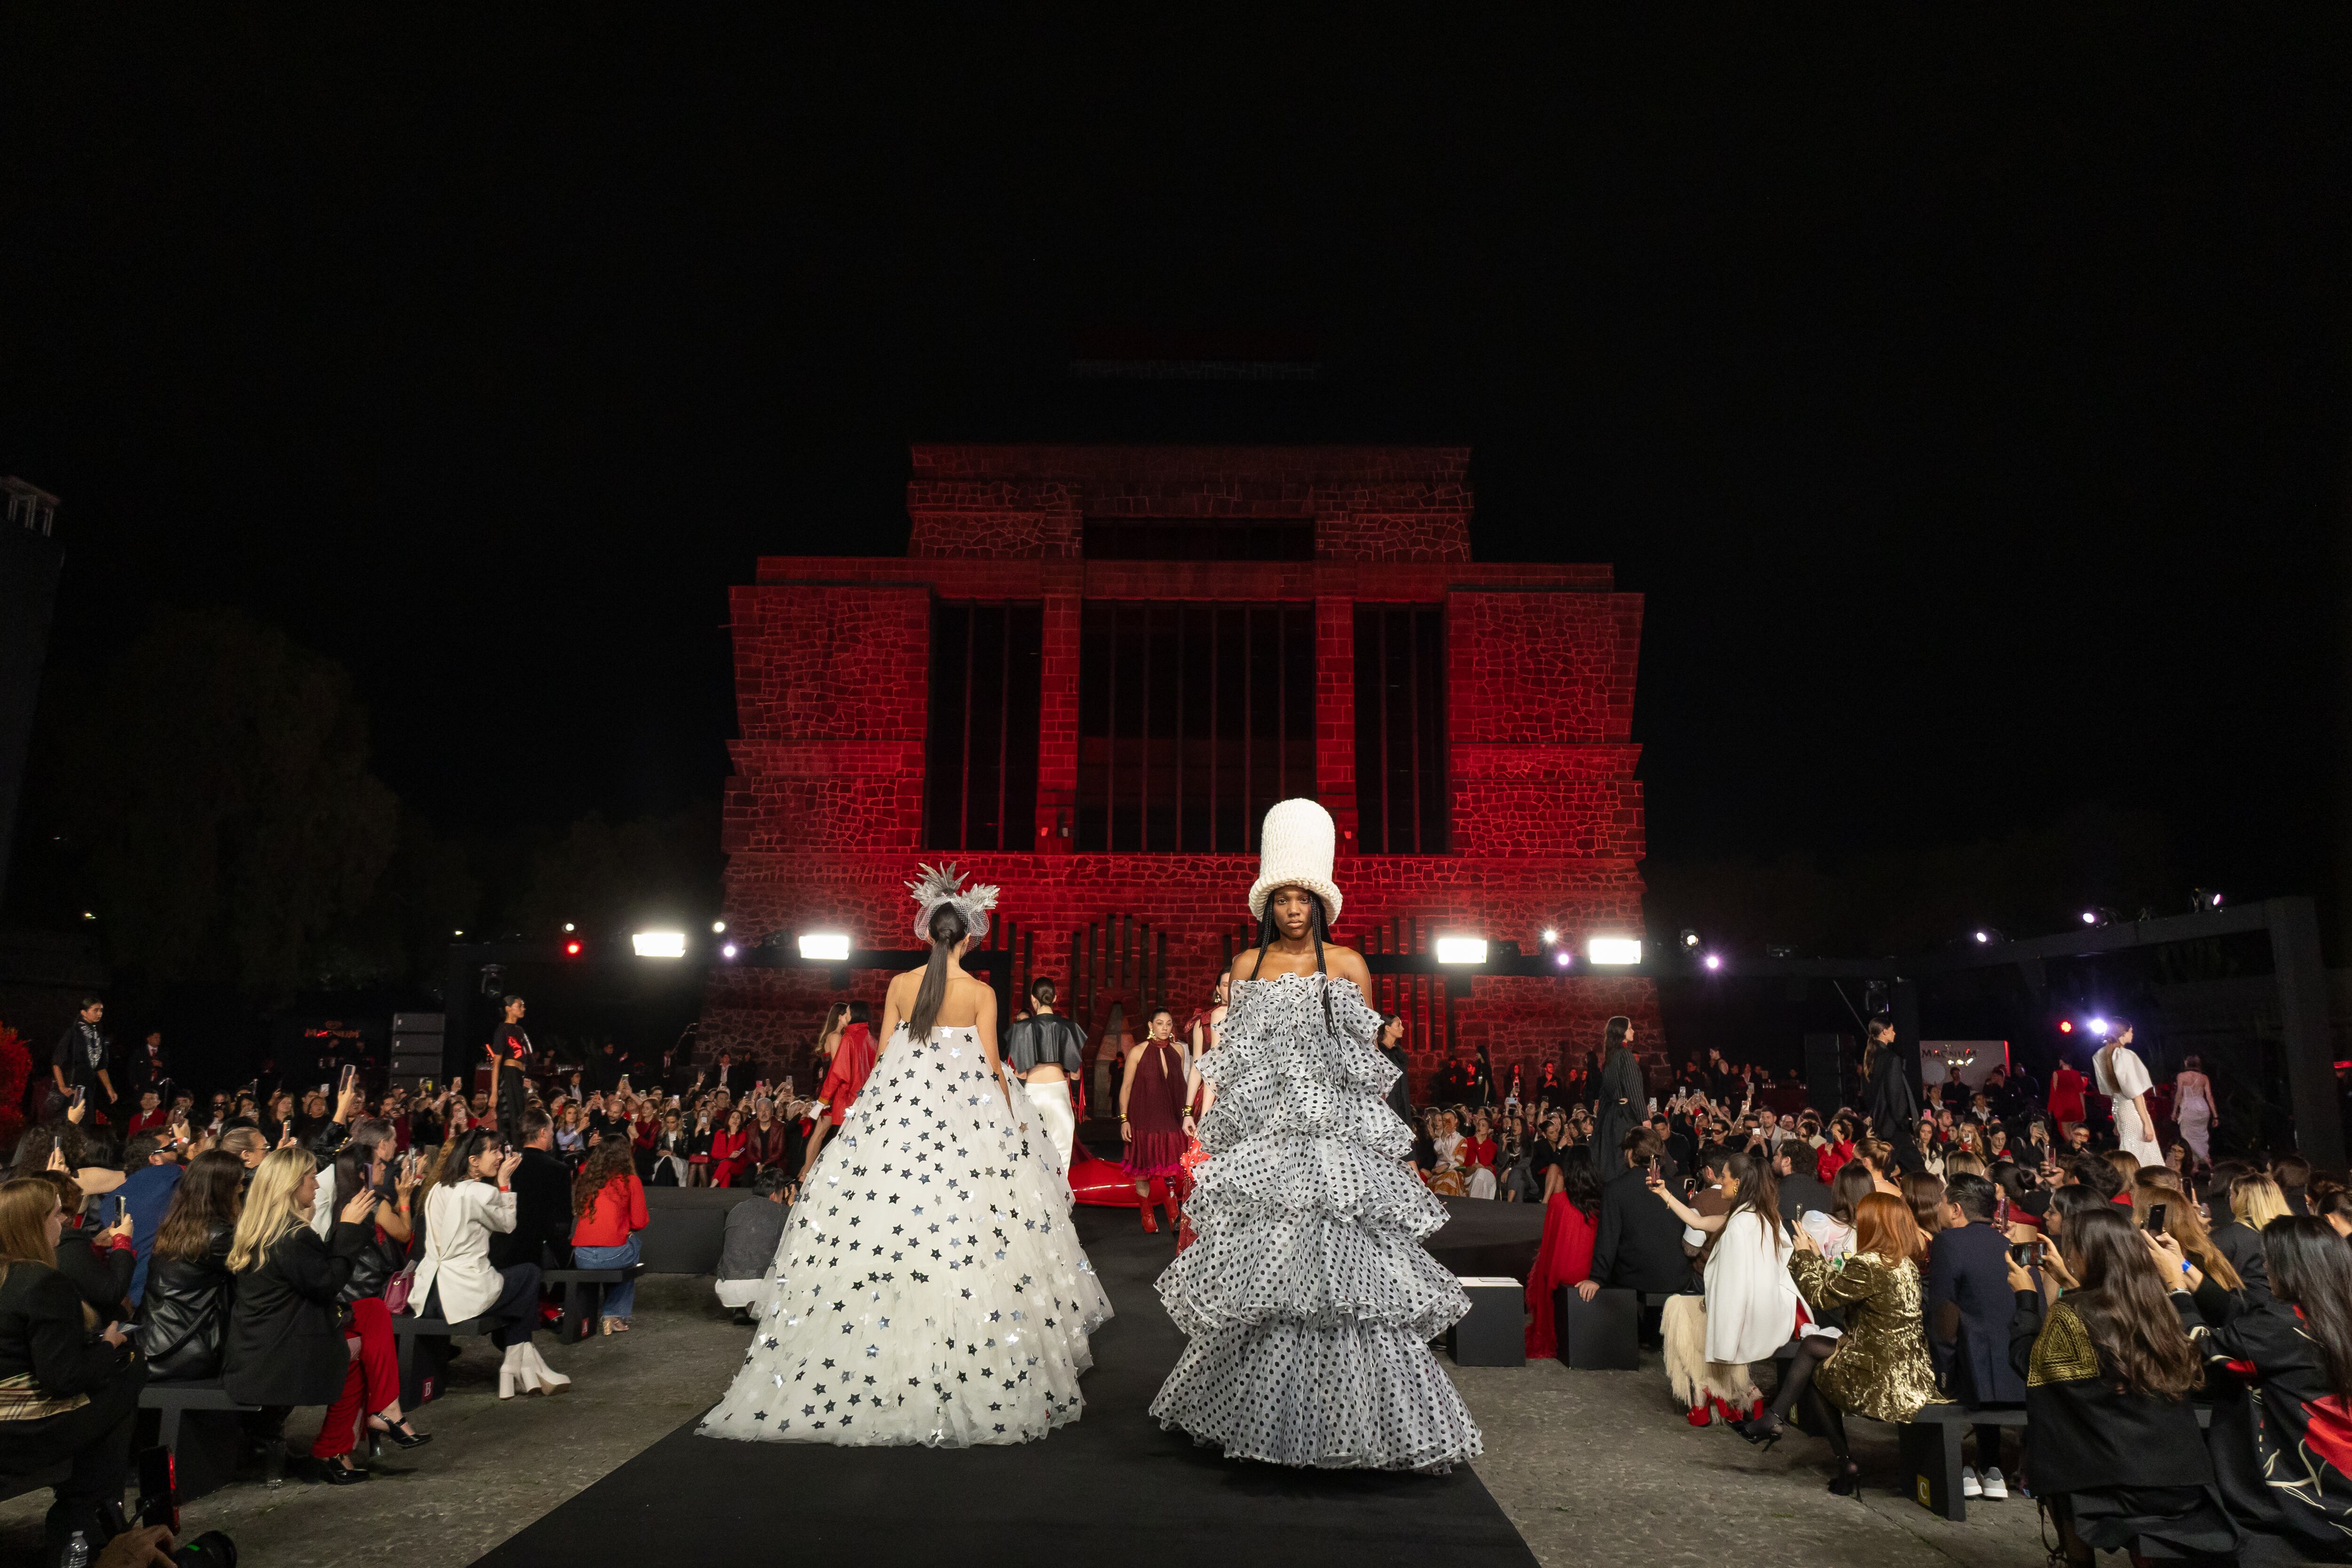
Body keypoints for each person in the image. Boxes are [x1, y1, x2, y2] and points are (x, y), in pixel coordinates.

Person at [701, 862, 1109, 1447]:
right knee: (970, 1232)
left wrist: (865, 1128)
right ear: (967, 939)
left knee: (884, 1228)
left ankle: (860, 1363)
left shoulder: (897, 987)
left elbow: (887, 1061)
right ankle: (967, 1361)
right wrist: (1015, 1129)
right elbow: (993, 1068)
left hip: (901, 1123)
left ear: (927, 935)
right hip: (965, 1126)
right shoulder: (980, 993)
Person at [1150, 801, 1479, 1469]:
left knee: (1343, 1276)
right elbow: (1238, 1063)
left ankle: (1356, 1425)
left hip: (1332, 1138)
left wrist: (1369, 1147)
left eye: (1303, 898)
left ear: (1321, 902)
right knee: (1271, 1269)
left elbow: (1367, 1067)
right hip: (1272, 1137)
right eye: (1283, 898)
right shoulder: (1246, 968)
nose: (1293, 909)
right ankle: (1262, 1417)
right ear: (1268, 902)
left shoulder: (1350, 965)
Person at [2007, 1205, 2239, 1563]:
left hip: (2103, 1477)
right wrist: (2072, 1283)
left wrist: (2026, 1299)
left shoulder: (2072, 1313)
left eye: (2073, 1248)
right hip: (2178, 1473)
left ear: (2092, 1254)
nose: (2067, 1255)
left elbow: (2032, 1366)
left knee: (2051, 1435)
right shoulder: (2159, 1305)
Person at [223, 1148, 414, 1484]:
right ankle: (340, 1442)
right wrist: (347, 1227)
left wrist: (343, 1227)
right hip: (279, 1353)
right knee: (353, 1352)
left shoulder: (268, 1229)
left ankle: (384, 1410)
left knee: (372, 1309)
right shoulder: (291, 1236)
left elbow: (316, 1275)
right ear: (291, 1185)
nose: (317, 1185)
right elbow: (328, 1282)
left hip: (264, 1344)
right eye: (311, 1177)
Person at [0, 1176, 144, 1568]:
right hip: (19, 1431)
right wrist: (108, 1346)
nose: (63, 1223)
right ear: (35, 1224)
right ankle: (85, 1518)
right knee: (128, 1374)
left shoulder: (16, 1278)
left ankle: (89, 1512)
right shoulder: (41, 1282)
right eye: (55, 1215)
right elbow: (63, 1378)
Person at [1764, 1193, 1947, 1492]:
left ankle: (1844, 1459)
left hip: (1883, 1379)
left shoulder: (1870, 1264)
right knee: (1814, 1351)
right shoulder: (1904, 1265)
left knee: (1817, 1374)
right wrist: (1817, 1258)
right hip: (1911, 1374)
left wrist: (1803, 1257)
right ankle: (1776, 1420)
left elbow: (1822, 1298)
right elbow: (1840, 1286)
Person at [2196, 1217, 2352, 1557]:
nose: (2265, 1267)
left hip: (2310, 1507)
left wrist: (2176, 1289)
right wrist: (2185, 1271)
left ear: (2292, 1266)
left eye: (2270, 1259)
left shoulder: (2282, 1324)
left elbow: (2204, 1353)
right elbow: (2246, 1320)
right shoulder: (2333, 1312)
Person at [1650, 1149, 1801, 1429]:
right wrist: (1664, 1195)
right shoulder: (1758, 1215)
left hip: (1747, 1315)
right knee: (1685, 1310)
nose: (1720, 1180)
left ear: (1738, 1184)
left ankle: (1708, 1392)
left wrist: (1714, 1305)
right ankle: (1731, 1392)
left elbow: (1733, 1282)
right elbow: (1699, 1223)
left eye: (1725, 1176)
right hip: (1770, 1309)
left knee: (1680, 1311)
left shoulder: (1740, 1225)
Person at [413, 1128, 569, 1397]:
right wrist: (505, 1183)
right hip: (463, 1294)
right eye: (494, 1151)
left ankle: (519, 1364)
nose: (500, 1157)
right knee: (530, 1274)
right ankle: (513, 1363)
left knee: (518, 1290)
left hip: (430, 1294)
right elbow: (508, 1225)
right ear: (473, 1160)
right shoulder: (480, 1193)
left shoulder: (436, 1190)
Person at [1925, 1172, 2026, 1501]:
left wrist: (1942, 1377)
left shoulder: (1947, 1242)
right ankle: (1990, 1465)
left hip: (1973, 1376)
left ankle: (1961, 1465)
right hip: (2019, 1374)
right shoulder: (2009, 1244)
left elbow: (1944, 1315)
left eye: (1942, 1202)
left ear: (1956, 1209)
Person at [136, 1151, 244, 1381]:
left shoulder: (177, 1224)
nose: (242, 1191)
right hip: (187, 1349)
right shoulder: (218, 1236)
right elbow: (255, 1277)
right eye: (238, 1185)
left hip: (156, 1343)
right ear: (224, 1190)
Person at [1590, 1129, 1692, 1343]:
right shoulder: (1677, 1190)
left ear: (1630, 1153)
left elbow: (1607, 1240)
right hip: (1677, 1276)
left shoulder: (1616, 1189)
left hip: (1637, 1276)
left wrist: (1597, 1279)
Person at [1523, 1145, 1602, 1359]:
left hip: (1561, 1273)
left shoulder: (1558, 1202)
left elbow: (1549, 1245)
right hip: (1592, 1273)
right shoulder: (1602, 1202)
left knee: (1542, 1266)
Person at [1003, 977, 1086, 1171]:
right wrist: (1074, 1098)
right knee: (1062, 1156)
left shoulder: (1022, 1029)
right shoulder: (1069, 1028)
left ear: (1034, 1000)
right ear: (1055, 998)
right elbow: (1075, 1074)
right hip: (1058, 1094)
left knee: (1031, 1154)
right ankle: (1061, 1202)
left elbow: (1021, 1074)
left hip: (1032, 1094)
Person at [1119, 1007, 1190, 1233]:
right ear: (1151, 1026)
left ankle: (1173, 1212)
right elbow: (1127, 1086)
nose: (1165, 1028)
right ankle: (1147, 1214)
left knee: (1171, 1167)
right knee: (1142, 1167)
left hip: (1171, 1116)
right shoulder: (1137, 1052)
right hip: (1143, 1117)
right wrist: (1124, 1119)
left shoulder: (1179, 1050)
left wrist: (1187, 1114)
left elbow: (1180, 1086)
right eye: (1160, 1023)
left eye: (1169, 1024)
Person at [569, 1134, 648, 1335]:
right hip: (613, 1255)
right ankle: (613, 1315)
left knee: (620, 1250)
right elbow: (640, 1222)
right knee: (634, 1245)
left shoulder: (585, 1177)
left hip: (582, 1256)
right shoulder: (631, 1181)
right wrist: (627, 1229)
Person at [798, 1003, 874, 1179]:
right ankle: (805, 1175)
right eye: (845, 1013)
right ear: (840, 1017)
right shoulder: (839, 1037)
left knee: (822, 1134)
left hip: (836, 1090)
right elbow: (837, 1067)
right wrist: (825, 1099)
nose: (848, 1016)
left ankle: (805, 1174)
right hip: (836, 1092)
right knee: (820, 1134)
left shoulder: (844, 1037)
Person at [493, 1109, 572, 1272]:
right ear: (543, 1132)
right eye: (551, 1129)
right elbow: (563, 1221)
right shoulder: (559, 1170)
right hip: (541, 1252)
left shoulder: (506, 1169)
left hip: (505, 1250)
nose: (553, 1134)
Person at [714, 1167, 791, 1325]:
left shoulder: (737, 1209)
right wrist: (792, 1208)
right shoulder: (783, 1212)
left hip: (726, 1287)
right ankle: (762, 1306)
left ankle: (740, 1308)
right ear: (774, 1195)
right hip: (760, 1287)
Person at [115, 1132, 183, 1305]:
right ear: (155, 1159)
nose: (177, 1150)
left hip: (128, 1296)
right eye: (170, 1148)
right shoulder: (176, 1177)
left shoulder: (111, 1201)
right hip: (169, 1296)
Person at [2093, 1022, 2161, 1167]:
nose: (2133, 1034)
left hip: (2120, 1110)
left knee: (2131, 1148)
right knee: (2142, 1151)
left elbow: (2112, 1094)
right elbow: (2136, 1094)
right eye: (2131, 1031)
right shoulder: (2125, 1055)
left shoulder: (2101, 1055)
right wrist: (2147, 1124)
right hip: (2132, 1111)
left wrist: (2117, 1121)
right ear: (2122, 1033)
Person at [1589, 1016, 1643, 1171]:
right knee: (1629, 1158)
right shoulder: (1625, 1054)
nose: (1633, 1031)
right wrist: (1645, 1119)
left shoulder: (1610, 1057)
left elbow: (1605, 1091)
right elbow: (1634, 1089)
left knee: (1614, 1160)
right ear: (1622, 1032)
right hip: (1625, 1115)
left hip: (1612, 1116)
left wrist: (1601, 1115)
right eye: (1630, 1028)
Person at [50, 998, 118, 1121]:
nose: (99, 1014)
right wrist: (62, 1087)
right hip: (73, 1088)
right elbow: (57, 1062)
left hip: (89, 1088)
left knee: (87, 1122)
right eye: (96, 1010)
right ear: (84, 1012)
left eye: (101, 1010)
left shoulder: (98, 1036)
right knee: (71, 1123)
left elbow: (101, 1067)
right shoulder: (74, 1033)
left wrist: (110, 1089)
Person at [487, 995, 533, 1146]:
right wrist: (494, 1093)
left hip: (519, 1076)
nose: (523, 1008)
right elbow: (497, 1063)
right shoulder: (502, 1030)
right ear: (508, 1009)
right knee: (511, 1116)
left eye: (524, 1005)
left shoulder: (520, 1031)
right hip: (509, 1075)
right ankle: (512, 1151)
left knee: (520, 1116)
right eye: (520, 1005)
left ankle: (520, 1151)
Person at [1772, 1141, 1830, 1227]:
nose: (1774, 1158)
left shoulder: (1773, 1195)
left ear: (1786, 1161)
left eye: (1777, 1155)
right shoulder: (1830, 1194)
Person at [2171, 1055, 2217, 1163]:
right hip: (2203, 1108)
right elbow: (2209, 1097)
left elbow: (2179, 1094)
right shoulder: (2204, 1078)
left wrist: (2174, 1111)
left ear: (2186, 1063)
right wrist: (2215, 1115)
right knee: (2201, 1136)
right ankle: (2198, 1163)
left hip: (2189, 1108)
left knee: (2187, 1137)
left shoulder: (2182, 1076)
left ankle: (2202, 1160)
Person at [2048, 1054, 2088, 1141]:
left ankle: (2073, 1151)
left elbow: (2054, 1093)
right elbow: (2081, 1094)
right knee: (2075, 1133)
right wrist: (2084, 1111)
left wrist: (2050, 1109)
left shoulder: (2057, 1074)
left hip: (2064, 1107)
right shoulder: (2077, 1074)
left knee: (2067, 1134)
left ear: (2062, 1062)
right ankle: (2077, 1151)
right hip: (2076, 1107)